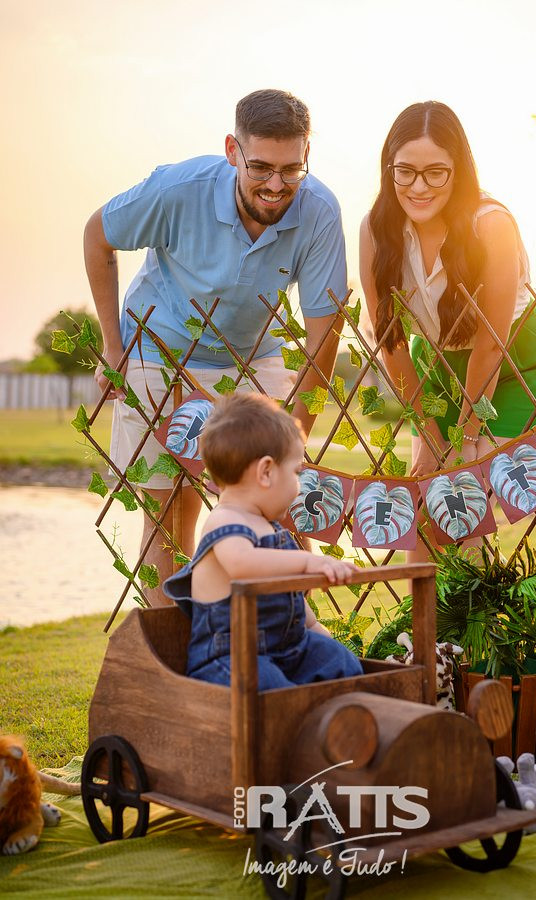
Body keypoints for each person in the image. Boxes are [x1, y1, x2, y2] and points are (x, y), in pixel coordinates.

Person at [84, 89, 348, 606]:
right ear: (233, 150)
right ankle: (173, 649)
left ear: (307, 156)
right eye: (261, 167)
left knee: (282, 508)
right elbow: (98, 235)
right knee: (169, 513)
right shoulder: (177, 189)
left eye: (291, 169)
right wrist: (113, 347)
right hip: (160, 345)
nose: (276, 185)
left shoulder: (319, 210)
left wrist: (294, 441)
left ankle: (287, 640)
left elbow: (324, 333)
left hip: (254, 352)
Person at [359, 101, 536, 477]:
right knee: (430, 493)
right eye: (405, 171)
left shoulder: (492, 225)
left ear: (458, 171)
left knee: (473, 489)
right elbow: (392, 342)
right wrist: (430, 436)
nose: (419, 187)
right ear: (389, 169)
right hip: (435, 365)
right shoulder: (374, 230)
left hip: (511, 361)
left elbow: (492, 343)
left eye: (435, 172)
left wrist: (466, 437)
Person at [162, 393, 364, 690]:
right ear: (266, 472)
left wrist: (319, 634)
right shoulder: (224, 519)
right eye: (296, 472)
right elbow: (243, 564)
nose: (299, 486)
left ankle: (339, 712)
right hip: (231, 657)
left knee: (341, 662)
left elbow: (292, 602)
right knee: (270, 688)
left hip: (287, 648)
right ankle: (296, 714)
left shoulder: (270, 529)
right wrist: (309, 561)